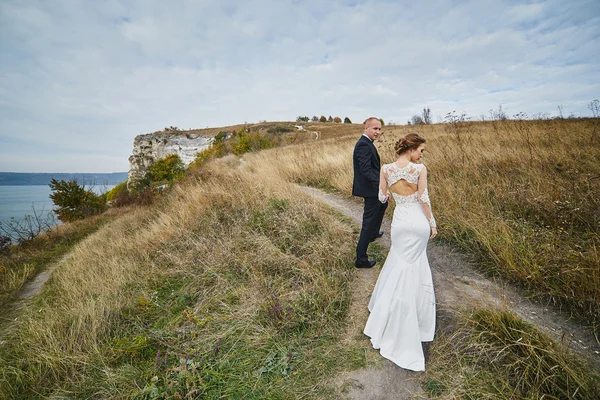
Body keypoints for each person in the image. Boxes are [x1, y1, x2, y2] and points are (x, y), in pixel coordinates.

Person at [363, 132, 437, 371]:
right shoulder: (419, 169)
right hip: (418, 221)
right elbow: (424, 198)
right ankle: (415, 316)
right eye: (421, 150)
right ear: (412, 148)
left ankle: (389, 313)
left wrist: (393, 193)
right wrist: (432, 223)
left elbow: (382, 197)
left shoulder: (386, 169)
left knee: (398, 264)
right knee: (416, 265)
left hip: (400, 223)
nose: (421, 155)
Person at [352, 117, 388, 268]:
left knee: (383, 205)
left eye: (379, 129)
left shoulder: (367, 143)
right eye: (375, 129)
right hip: (371, 190)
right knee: (367, 222)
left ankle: (373, 233)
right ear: (366, 128)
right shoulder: (364, 145)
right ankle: (361, 259)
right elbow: (366, 171)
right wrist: (382, 186)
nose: (378, 132)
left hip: (372, 188)